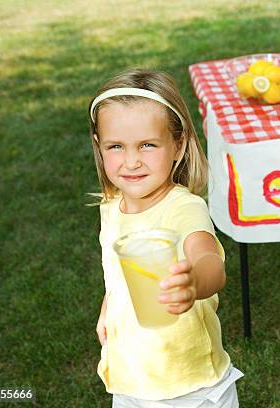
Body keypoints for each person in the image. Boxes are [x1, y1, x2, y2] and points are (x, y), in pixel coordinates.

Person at [87, 68, 243, 407]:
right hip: (131, 378)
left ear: (178, 144)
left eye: (147, 145)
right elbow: (117, 273)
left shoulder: (183, 208)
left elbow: (209, 262)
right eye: (116, 146)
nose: (131, 161)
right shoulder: (111, 206)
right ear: (99, 147)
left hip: (189, 386)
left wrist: (194, 283)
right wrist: (109, 307)